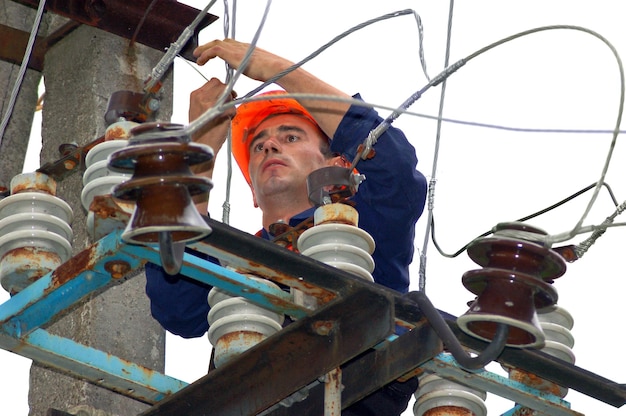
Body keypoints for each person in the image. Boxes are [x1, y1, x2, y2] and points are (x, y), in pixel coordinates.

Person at [145, 38, 428, 415]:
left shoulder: (363, 226)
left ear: (341, 165)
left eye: (290, 137)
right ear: (255, 198)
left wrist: (279, 70)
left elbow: (394, 171)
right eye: (258, 146)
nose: (270, 148)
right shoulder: (233, 262)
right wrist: (197, 158)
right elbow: (177, 307)